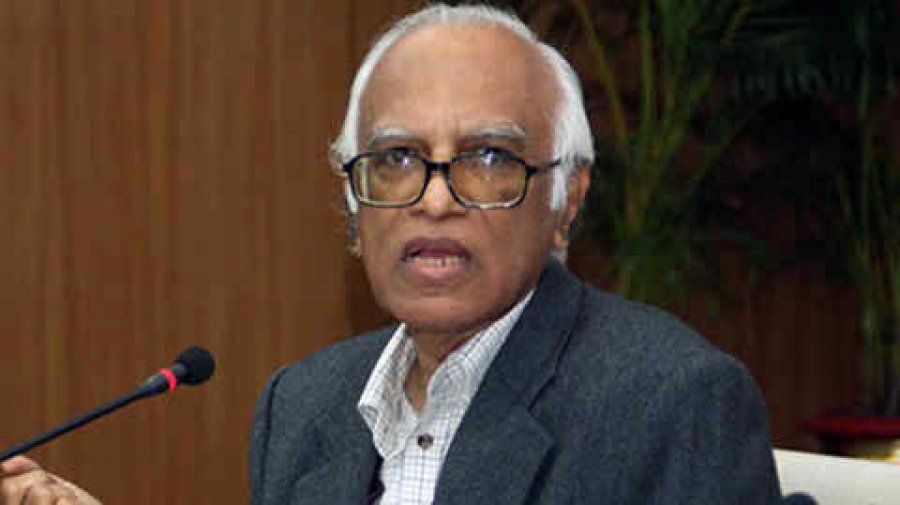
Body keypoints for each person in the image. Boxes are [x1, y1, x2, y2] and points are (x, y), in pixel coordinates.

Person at [1, 3, 782, 504]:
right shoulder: (303, 405)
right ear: (353, 205)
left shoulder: (672, 404)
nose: (434, 200)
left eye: (487, 157)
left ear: (565, 201)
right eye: (397, 159)